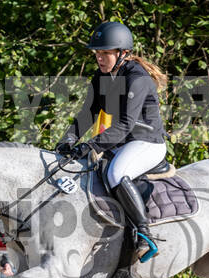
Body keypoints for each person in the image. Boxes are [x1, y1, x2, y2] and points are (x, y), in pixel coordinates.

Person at [56, 21, 169, 262]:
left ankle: (144, 234)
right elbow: (88, 113)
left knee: (116, 173)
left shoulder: (137, 78)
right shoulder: (101, 77)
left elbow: (127, 124)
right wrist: (69, 138)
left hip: (147, 142)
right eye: (97, 53)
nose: (100, 58)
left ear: (122, 53)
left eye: (106, 53)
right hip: (124, 141)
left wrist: (92, 145)